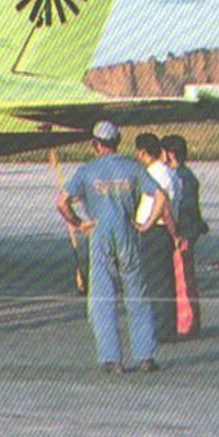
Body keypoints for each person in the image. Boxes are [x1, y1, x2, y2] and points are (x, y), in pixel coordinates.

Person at [57, 121, 165, 373]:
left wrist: (79, 223)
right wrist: (147, 223)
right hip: (128, 232)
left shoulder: (88, 171)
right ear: (117, 141)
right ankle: (146, 355)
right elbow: (160, 195)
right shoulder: (133, 168)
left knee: (103, 299)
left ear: (96, 144)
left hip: (100, 233)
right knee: (137, 294)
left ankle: (112, 358)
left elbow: (62, 201)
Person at [133, 134, 184, 344]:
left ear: (143, 152)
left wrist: (148, 225)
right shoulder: (168, 173)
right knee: (163, 281)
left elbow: (164, 208)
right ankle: (165, 326)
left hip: (156, 231)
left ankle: (162, 329)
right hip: (161, 231)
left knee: (157, 282)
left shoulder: (154, 174)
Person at [162, 135, 207, 338]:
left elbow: (187, 209)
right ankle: (187, 321)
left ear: (170, 153)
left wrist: (183, 234)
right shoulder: (185, 175)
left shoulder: (180, 178)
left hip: (183, 233)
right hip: (187, 231)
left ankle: (186, 323)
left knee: (183, 281)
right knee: (184, 279)